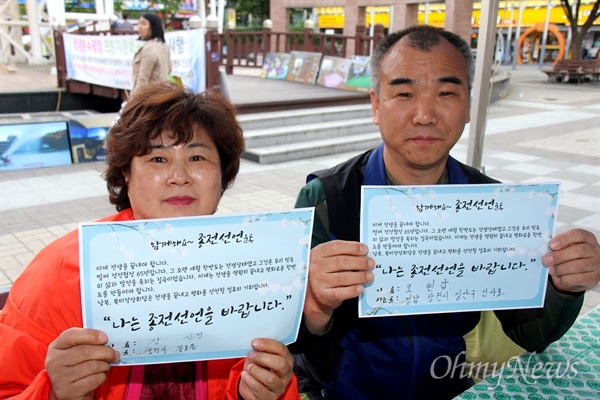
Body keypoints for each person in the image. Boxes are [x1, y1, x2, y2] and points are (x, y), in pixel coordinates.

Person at [289, 25, 600, 399]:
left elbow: (531, 334)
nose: (424, 114)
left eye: (446, 93)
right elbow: (297, 339)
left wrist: (562, 286)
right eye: (404, 93)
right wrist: (313, 302)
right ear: (375, 104)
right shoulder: (324, 198)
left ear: (468, 105)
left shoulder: (496, 205)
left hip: (452, 387)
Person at [0, 82, 299, 400]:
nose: (179, 175)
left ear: (223, 173)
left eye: (197, 157)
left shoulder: (257, 271)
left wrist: (260, 393)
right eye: (158, 159)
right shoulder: (61, 270)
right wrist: (52, 392)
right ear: (125, 173)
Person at [131, 13, 171, 94]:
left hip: (149, 98)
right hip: (163, 95)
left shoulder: (149, 48)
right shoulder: (164, 46)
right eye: (139, 23)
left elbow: (143, 80)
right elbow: (169, 69)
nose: (139, 26)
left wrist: (133, 102)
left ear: (153, 26)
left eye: (144, 23)